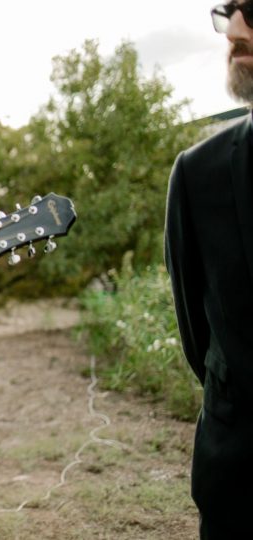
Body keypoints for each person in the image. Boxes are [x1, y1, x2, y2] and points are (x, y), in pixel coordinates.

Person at [165, 2, 253, 538]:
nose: (236, 28)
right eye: (231, 11)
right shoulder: (198, 174)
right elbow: (199, 337)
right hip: (239, 476)